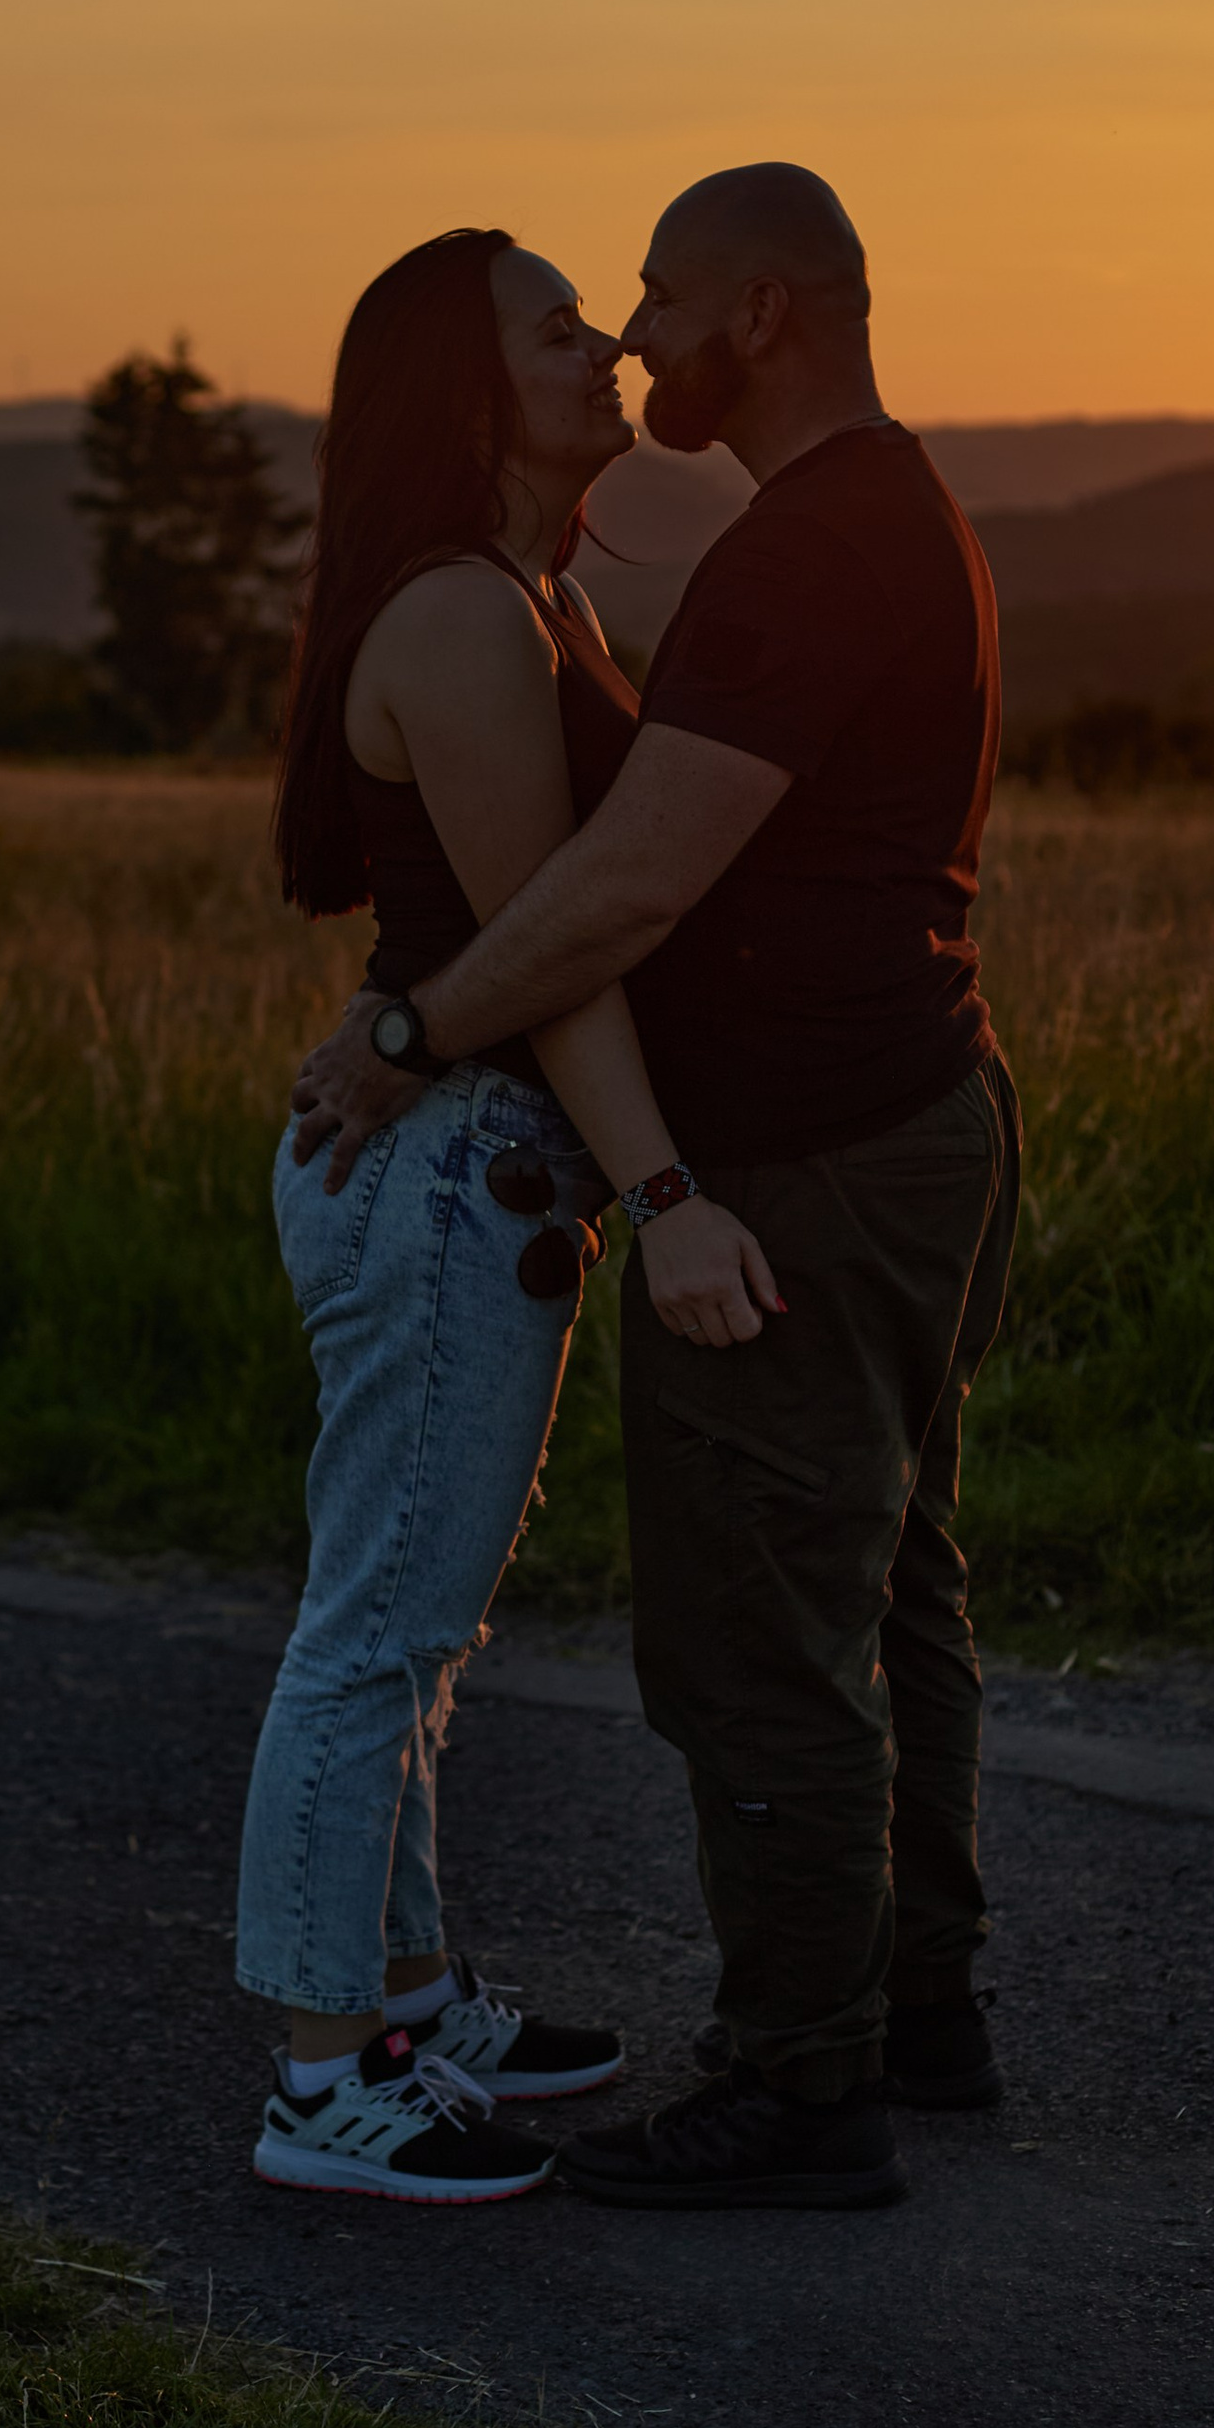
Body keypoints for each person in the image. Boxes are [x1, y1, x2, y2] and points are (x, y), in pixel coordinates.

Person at [291, 164, 1020, 2216]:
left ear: (764, 313)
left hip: (808, 1159)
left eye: (659, 296)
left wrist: (408, 1036)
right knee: (885, 1586)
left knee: (749, 1635)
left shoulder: (812, 550)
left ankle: (801, 2086)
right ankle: (915, 2011)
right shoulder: (897, 516)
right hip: (907, 1117)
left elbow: (619, 885)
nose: (630, 330)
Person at [240, 227, 781, 2207]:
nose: (602, 347)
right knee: (370, 1630)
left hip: (469, 1163)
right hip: (457, 1167)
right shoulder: (464, 618)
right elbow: (554, 950)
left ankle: (397, 1993)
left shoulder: (526, 600)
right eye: (554, 329)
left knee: (411, 1626)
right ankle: (319, 2082)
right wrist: (662, 1186)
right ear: (462, 394)